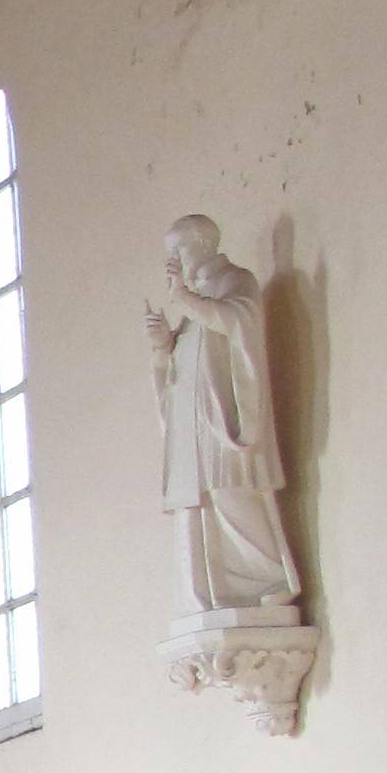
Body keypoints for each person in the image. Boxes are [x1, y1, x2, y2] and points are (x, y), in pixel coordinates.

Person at [147, 216, 297, 618]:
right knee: (196, 513)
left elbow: (238, 323)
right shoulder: (194, 302)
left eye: (177, 251)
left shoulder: (234, 281)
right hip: (192, 429)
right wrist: (164, 347)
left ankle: (270, 582)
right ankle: (209, 600)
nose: (172, 262)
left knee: (233, 496)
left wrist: (184, 299)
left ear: (203, 243)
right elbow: (183, 366)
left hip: (221, 422)